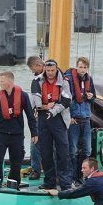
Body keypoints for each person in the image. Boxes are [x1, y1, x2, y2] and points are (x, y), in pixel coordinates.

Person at [0, 71, 37, 185]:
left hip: (16, 134)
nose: (0, 83)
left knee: (16, 161)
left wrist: (34, 132)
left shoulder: (23, 96)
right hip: (1, 133)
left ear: (9, 81)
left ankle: (13, 183)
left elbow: (30, 115)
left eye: (2, 81)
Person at [32, 58, 73, 191]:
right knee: (45, 151)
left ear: (56, 69)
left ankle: (65, 182)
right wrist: (45, 107)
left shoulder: (64, 82)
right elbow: (36, 102)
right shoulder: (37, 81)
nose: (50, 73)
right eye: (48, 70)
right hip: (44, 118)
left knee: (63, 150)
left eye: (52, 70)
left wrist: (54, 110)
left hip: (59, 117)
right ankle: (49, 181)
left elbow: (67, 100)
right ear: (44, 69)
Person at [65, 56, 97, 183]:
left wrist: (91, 96)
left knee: (87, 150)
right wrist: (69, 116)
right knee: (72, 150)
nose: (82, 69)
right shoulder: (70, 80)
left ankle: (81, 175)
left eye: (85, 67)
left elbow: (94, 97)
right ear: (76, 66)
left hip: (86, 118)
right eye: (80, 67)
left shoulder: (90, 80)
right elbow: (66, 98)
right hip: (74, 119)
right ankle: (72, 176)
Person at [24, 56, 45, 179]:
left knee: (36, 143)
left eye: (32, 69)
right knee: (36, 143)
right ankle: (37, 169)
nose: (33, 71)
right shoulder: (37, 80)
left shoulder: (39, 81)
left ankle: (38, 169)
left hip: (45, 114)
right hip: (41, 114)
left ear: (37, 65)